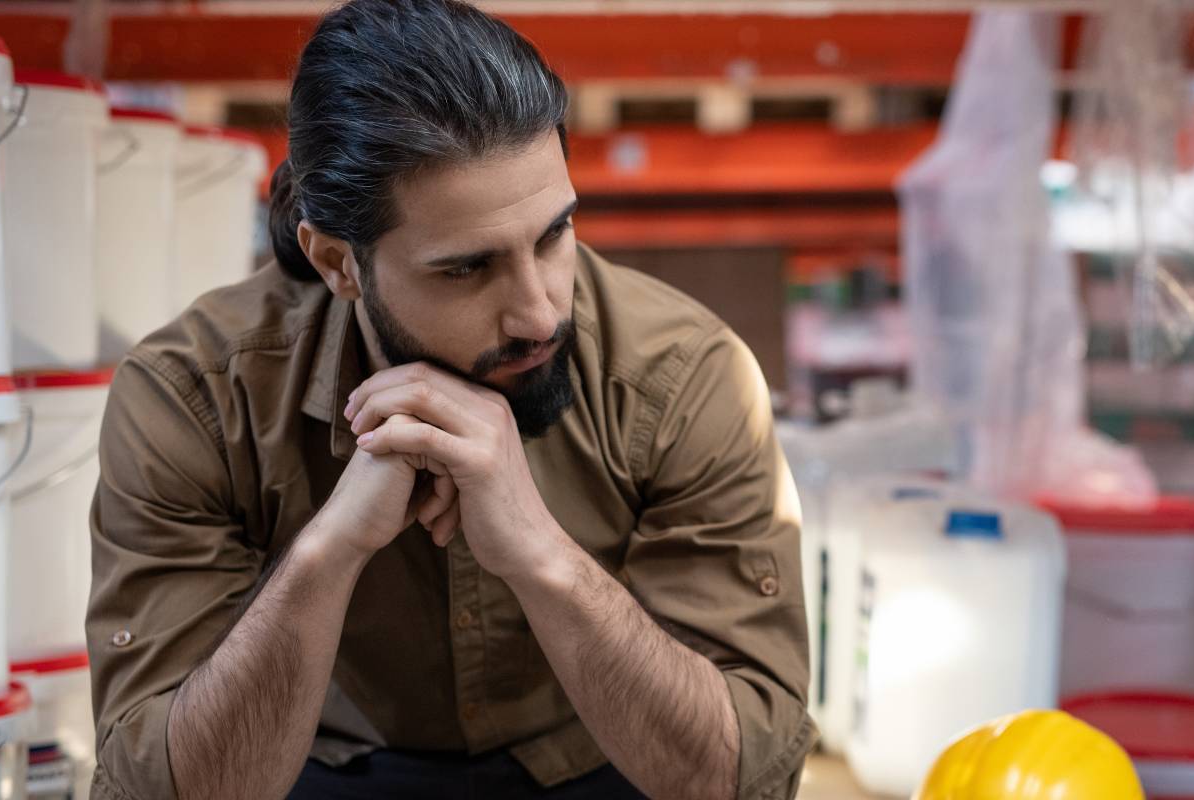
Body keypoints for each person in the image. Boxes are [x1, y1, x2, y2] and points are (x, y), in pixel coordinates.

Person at [84, 1, 812, 797]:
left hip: (607, 752)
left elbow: (745, 780)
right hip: (315, 764)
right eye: (467, 269)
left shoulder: (684, 377)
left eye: (554, 234)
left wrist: (544, 558)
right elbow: (159, 789)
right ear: (338, 263)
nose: (539, 312)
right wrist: (328, 554)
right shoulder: (194, 399)